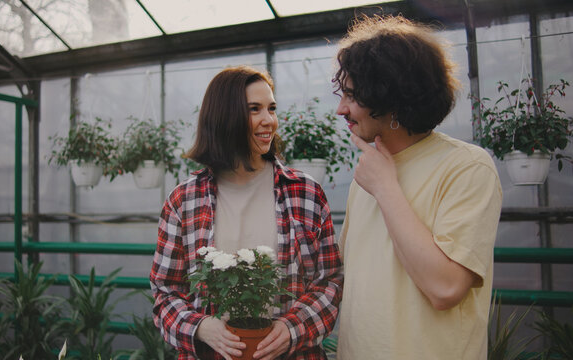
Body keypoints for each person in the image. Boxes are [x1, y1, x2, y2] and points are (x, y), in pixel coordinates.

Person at [332, 15, 502, 359]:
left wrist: (385, 187)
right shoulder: (367, 174)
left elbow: (446, 288)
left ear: (392, 98)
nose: (341, 109)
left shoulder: (466, 166)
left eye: (352, 96)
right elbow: (346, 278)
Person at [150, 65, 343, 360]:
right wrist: (200, 327)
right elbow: (165, 291)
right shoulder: (183, 201)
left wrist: (293, 328)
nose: (269, 121)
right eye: (254, 109)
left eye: (271, 108)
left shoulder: (305, 192)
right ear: (225, 116)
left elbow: (330, 281)